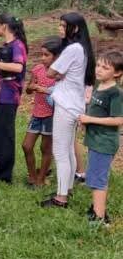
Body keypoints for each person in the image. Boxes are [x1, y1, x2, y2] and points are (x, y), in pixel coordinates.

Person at [41, 12, 95, 209]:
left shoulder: (72, 49)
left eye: (63, 26)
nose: (59, 29)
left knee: (60, 152)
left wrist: (58, 74)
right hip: (75, 104)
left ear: (76, 28)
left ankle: (61, 198)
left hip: (65, 105)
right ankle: (68, 188)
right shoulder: (82, 48)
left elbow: (50, 72)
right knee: (69, 150)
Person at [78, 51, 123, 225]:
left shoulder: (116, 93)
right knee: (95, 175)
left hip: (104, 142)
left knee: (98, 179)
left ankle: (99, 218)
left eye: (106, 68)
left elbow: (119, 119)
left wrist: (90, 119)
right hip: (95, 140)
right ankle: (97, 208)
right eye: (98, 65)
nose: (99, 70)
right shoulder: (100, 85)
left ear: (117, 73)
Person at [0, 13, 27, 182]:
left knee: (4, 133)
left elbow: (17, 67)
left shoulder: (18, 45)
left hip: (9, 95)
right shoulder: (7, 44)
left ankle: (4, 173)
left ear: (4, 26)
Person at [23, 37, 61, 187]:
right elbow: (28, 90)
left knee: (45, 148)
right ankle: (32, 176)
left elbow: (60, 94)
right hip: (37, 113)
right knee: (26, 146)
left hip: (51, 115)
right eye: (42, 54)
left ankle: (40, 178)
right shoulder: (37, 69)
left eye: (46, 55)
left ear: (56, 57)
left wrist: (44, 90)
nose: (42, 58)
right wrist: (31, 87)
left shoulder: (59, 74)